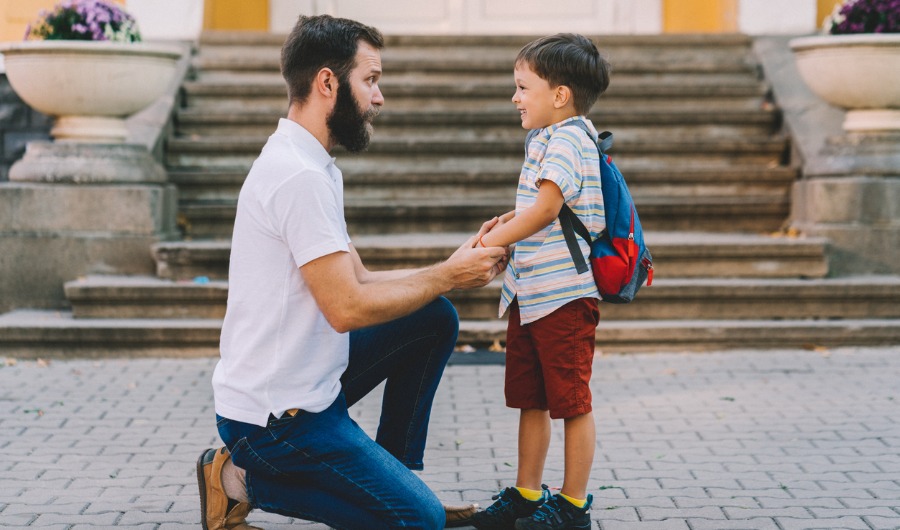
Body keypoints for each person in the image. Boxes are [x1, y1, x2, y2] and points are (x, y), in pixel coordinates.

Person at [195, 14, 508, 530]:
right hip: (273, 423)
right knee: (418, 521)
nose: (378, 97)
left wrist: (448, 266)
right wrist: (450, 275)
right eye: (371, 80)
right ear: (327, 82)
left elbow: (359, 279)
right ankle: (236, 480)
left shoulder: (313, 164)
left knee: (433, 317)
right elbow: (347, 309)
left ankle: (394, 474)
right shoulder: (298, 176)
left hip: (308, 385)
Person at [468, 34, 611, 530]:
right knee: (531, 398)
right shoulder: (546, 138)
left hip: (565, 297)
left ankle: (573, 507)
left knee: (571, 403)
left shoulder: (571, 136)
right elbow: (542, 206)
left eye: (523, 86)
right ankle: (528, 494)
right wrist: (506, 221)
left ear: (560, 94)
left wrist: (490, 246)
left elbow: (549, 209)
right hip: (531, 295)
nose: (515, 97)